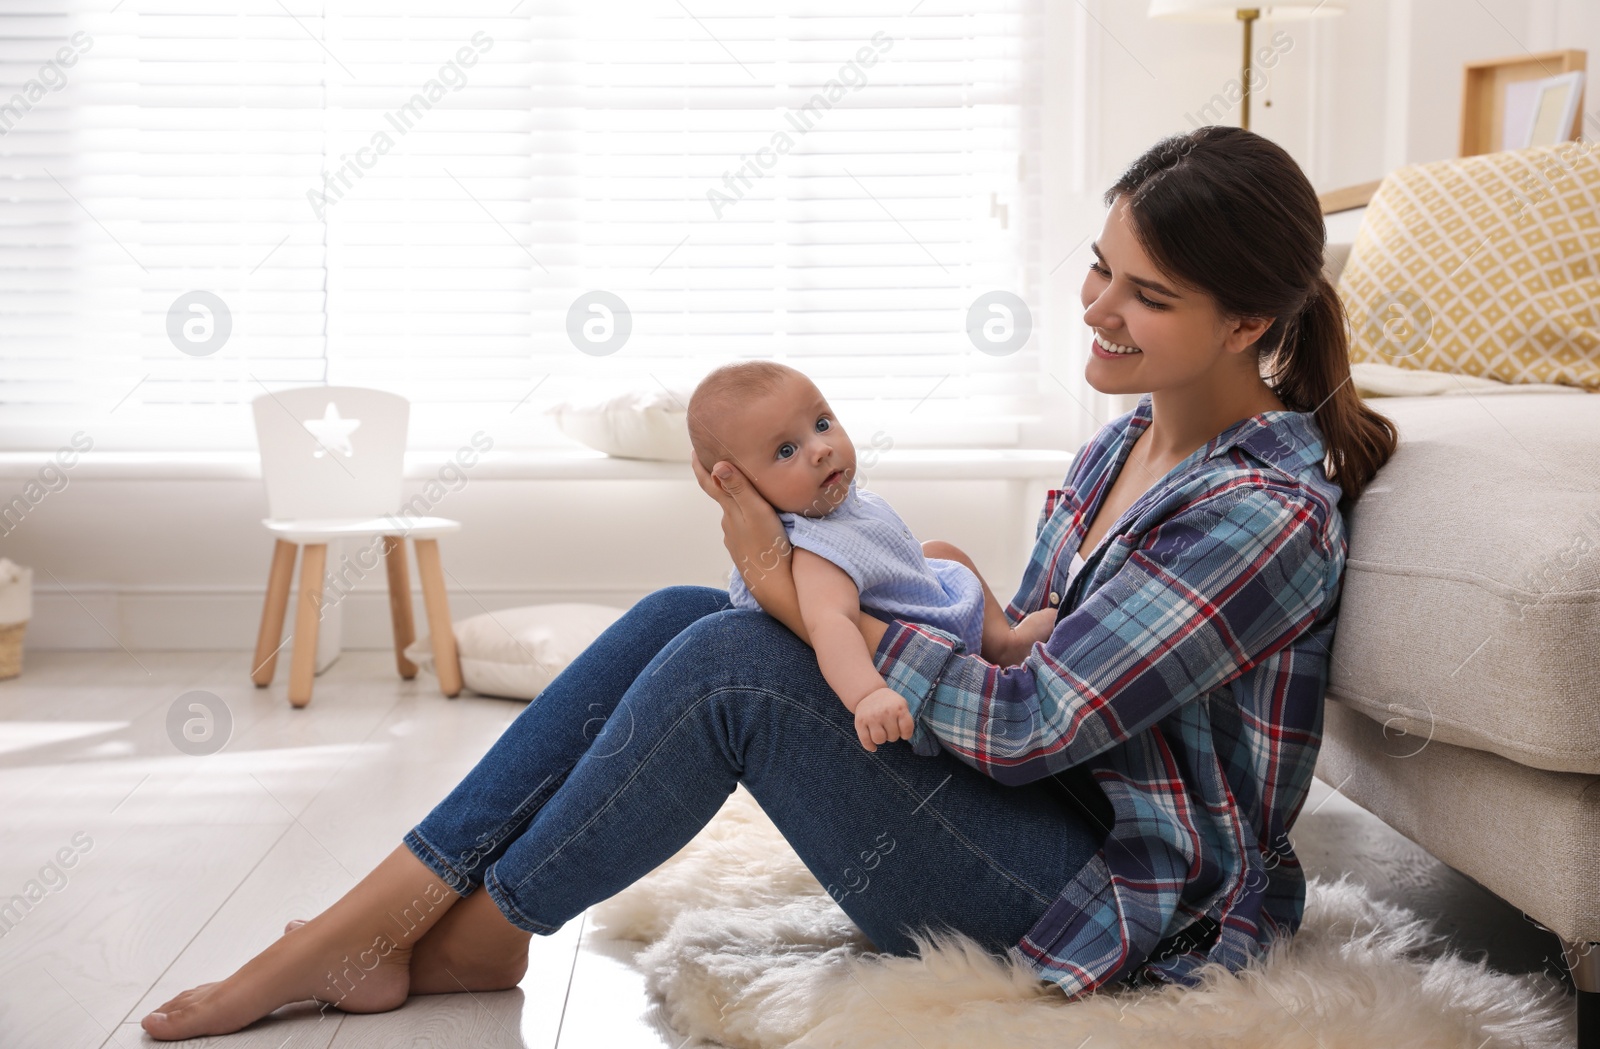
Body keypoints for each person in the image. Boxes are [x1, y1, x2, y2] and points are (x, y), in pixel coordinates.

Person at [140, 124, 1397, 1041]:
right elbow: (1037, 656)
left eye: (1147, 295)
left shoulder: (1258, 511)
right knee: (684, 615)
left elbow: (1029, 726)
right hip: (1056, 828)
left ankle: (448, 929)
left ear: (1245, 326)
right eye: (1100, 265)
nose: (1097, 309)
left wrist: (796, 595)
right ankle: (386, 920)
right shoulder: (1124, 442)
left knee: (733, 656)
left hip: (1117, 905)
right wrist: (933, 601)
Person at [686, 359, 1058, 755]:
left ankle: (1002, 642)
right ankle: (994, 649)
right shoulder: (815, 553)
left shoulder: (837, 505)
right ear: (741, 486)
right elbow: (832, 624)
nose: (821, 449)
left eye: (822, 423)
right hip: (922, 649)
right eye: (786, 450)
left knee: (941, 551)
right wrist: (868, 695)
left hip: (929, 605)